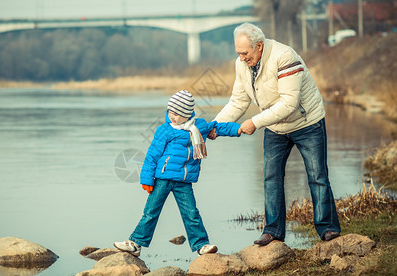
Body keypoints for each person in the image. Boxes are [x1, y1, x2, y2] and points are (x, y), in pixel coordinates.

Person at [209, 22, 341, 246]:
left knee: (318, 177)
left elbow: (289, 104)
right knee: (271, 178)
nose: (241, 58)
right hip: (276, 126)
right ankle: (273, 231)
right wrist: (215, 125)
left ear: (259, 46)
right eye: (238, 53)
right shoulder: (241, 65)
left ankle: (327, 229)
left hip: (306, 122)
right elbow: (239, 101)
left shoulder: (285, 57)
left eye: (244, 53)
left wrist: (255, 122)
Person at [114, 90, 242, 256]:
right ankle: (136, 243)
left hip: (184, 181)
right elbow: (152, 155)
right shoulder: (165, 130)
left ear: (187, 114)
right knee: (151, 212)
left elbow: (218, 127)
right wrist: (147, 178)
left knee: (191, 213)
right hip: (162, 178)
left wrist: (238, 129)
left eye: (176, 113)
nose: (172, 116)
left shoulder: (198, 127)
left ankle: (201, 245)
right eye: (170, 111)